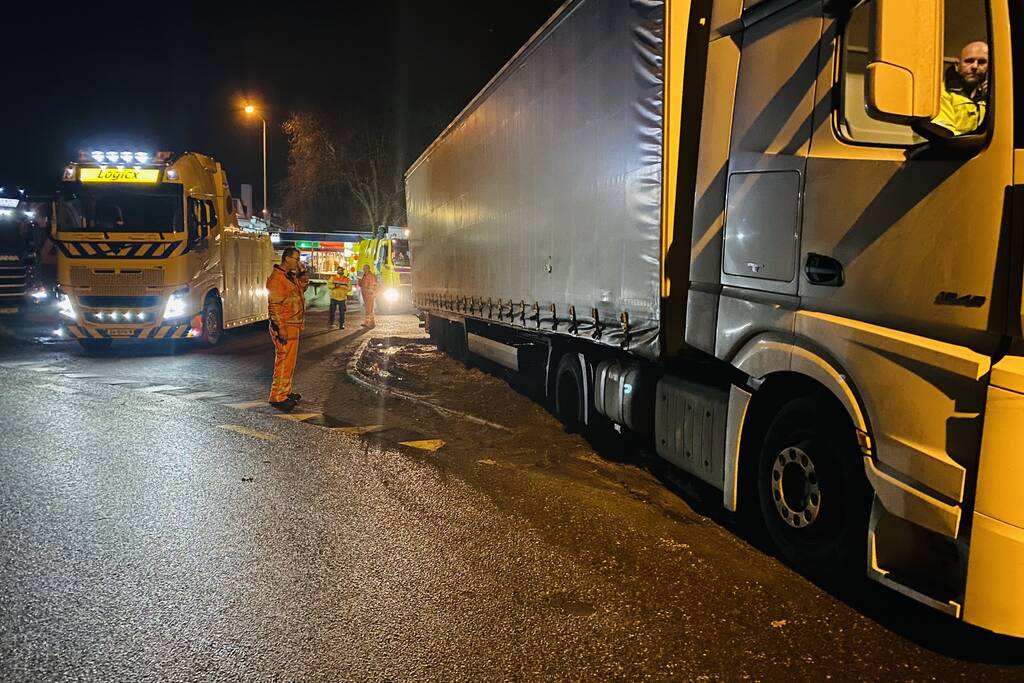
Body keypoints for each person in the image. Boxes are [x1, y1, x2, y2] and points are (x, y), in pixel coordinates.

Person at [266, 247, 306, 412]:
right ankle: (278, 396)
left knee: (289, 362)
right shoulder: (277, 279)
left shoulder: (289, 277)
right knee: (283, 361)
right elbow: (274, 305)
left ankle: (285, 391)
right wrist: (280, 327)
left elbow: (303, 287)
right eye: (296, 259)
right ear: (287, 259)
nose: (298, 262)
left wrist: (302, 272)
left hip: (292, 324)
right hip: (285, 326)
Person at [924, 41, 989, 138]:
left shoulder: (988, 96)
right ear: (957, 65)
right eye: (969, 61)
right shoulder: (939, 94)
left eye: (981, 62)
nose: (975, 66)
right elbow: (947, 136)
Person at [358, 264, 378, 329]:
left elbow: (373, 286)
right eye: (363, 269)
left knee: (369, 309)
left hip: (369, 295)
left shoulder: (371, 276)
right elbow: (362, 285)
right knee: (368, 309)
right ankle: (371, 323)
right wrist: (359, 281)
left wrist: (372, 293)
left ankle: (368, 323)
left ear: (368, 269)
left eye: (365, 269)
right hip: (366, 295)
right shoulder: (365, 276)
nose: (364, 270)